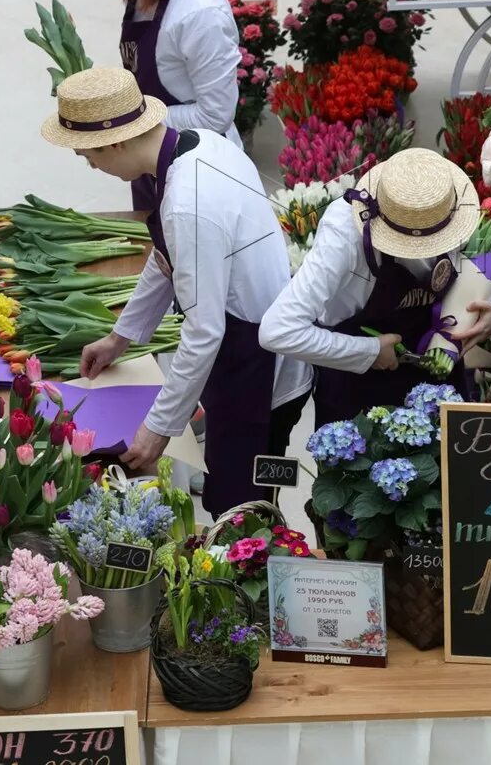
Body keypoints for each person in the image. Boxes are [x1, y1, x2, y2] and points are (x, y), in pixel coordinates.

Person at [43, 66, 312, 514]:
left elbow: (205, 331)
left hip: (257, 369)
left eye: (88, 155)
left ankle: (260, 565)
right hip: (249, 349)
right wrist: (120, 337)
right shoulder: (202, 143)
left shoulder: (189, 201)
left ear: (115, 142)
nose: (91, 166)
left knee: (240, 506)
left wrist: (158, 427)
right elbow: (168, 258)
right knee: (239, 487)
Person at [261, 149, 491, 423]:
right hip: (358, 389)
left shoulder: (447, 209)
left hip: (439, 380)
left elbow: (471, 277)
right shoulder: (345, 234)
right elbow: (278, 330)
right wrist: (369, 352)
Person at [69, 0, 242, 209]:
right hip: (148, 162)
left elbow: (216, 114)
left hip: (196, 169)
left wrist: (131, 122)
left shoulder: (199, 13)